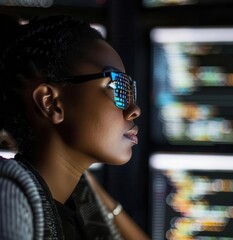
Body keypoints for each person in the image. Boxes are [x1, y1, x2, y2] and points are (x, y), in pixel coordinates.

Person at [0, 15, 150, 240]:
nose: (134, 109)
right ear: (51, 103)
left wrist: (82, 175)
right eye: (116, 86)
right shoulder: (10, 199)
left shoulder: (77, 198)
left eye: (130, 90)